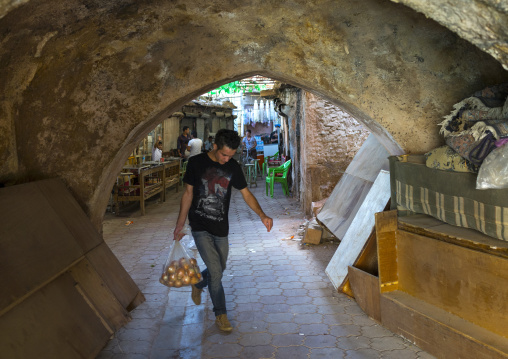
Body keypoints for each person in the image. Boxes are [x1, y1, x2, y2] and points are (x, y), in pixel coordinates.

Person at [173, 129, 273, 332]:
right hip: (199, 226)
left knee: (220, 267)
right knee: (217, 272)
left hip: (221, 228)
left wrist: (262, 215)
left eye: (231, 155)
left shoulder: (233, 167)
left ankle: (198, 284)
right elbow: (188, 194)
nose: (227, 159)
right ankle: (221, 314)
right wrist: (180, 224)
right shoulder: (196, 163)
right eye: (224, 154)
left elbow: (246, 194)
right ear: (215, 146)